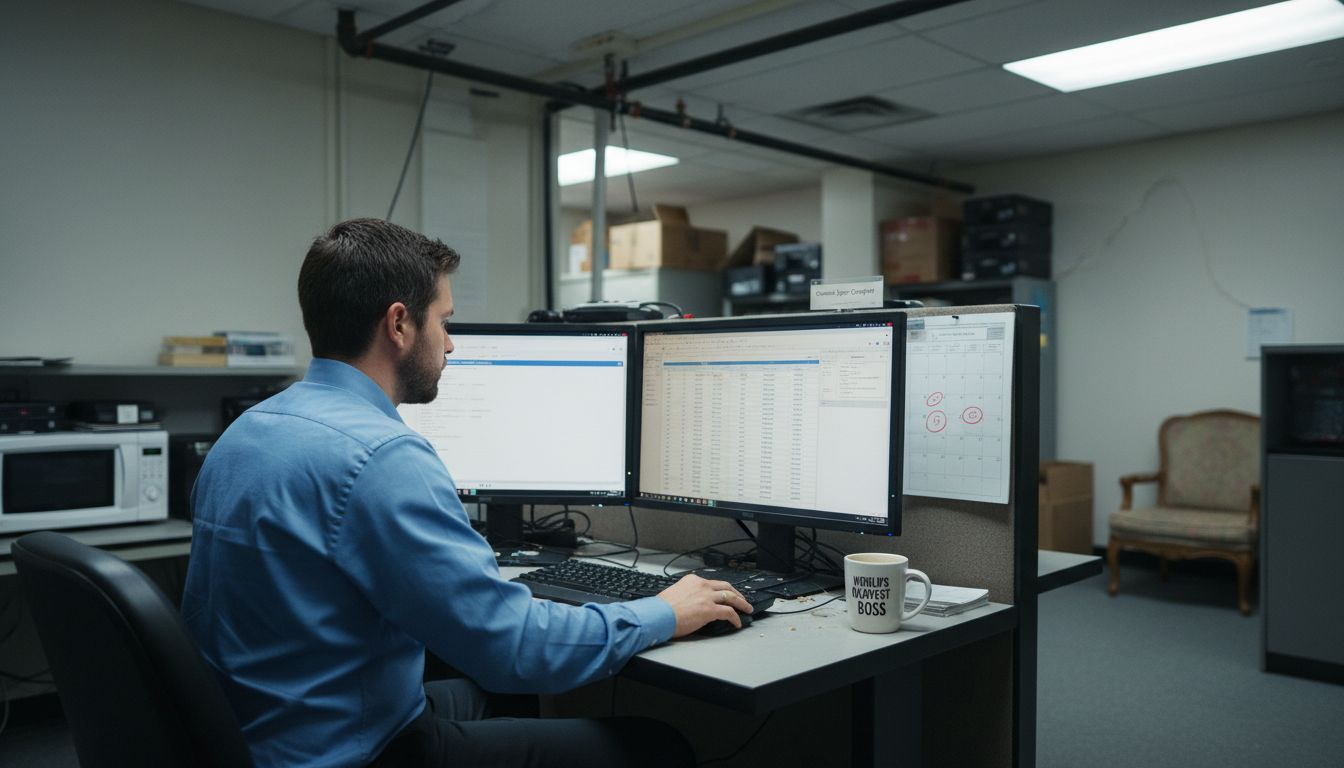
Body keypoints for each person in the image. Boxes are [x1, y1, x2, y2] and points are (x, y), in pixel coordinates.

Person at [181, 218, 754, 768]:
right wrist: (661, 611)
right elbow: (515, 650)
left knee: (496, 696)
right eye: (444, 321)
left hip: (256, 736)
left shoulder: (247, 431)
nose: (451, 344)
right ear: (399, 324)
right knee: (656, 746)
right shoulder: (381, 457)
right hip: (354, 751)